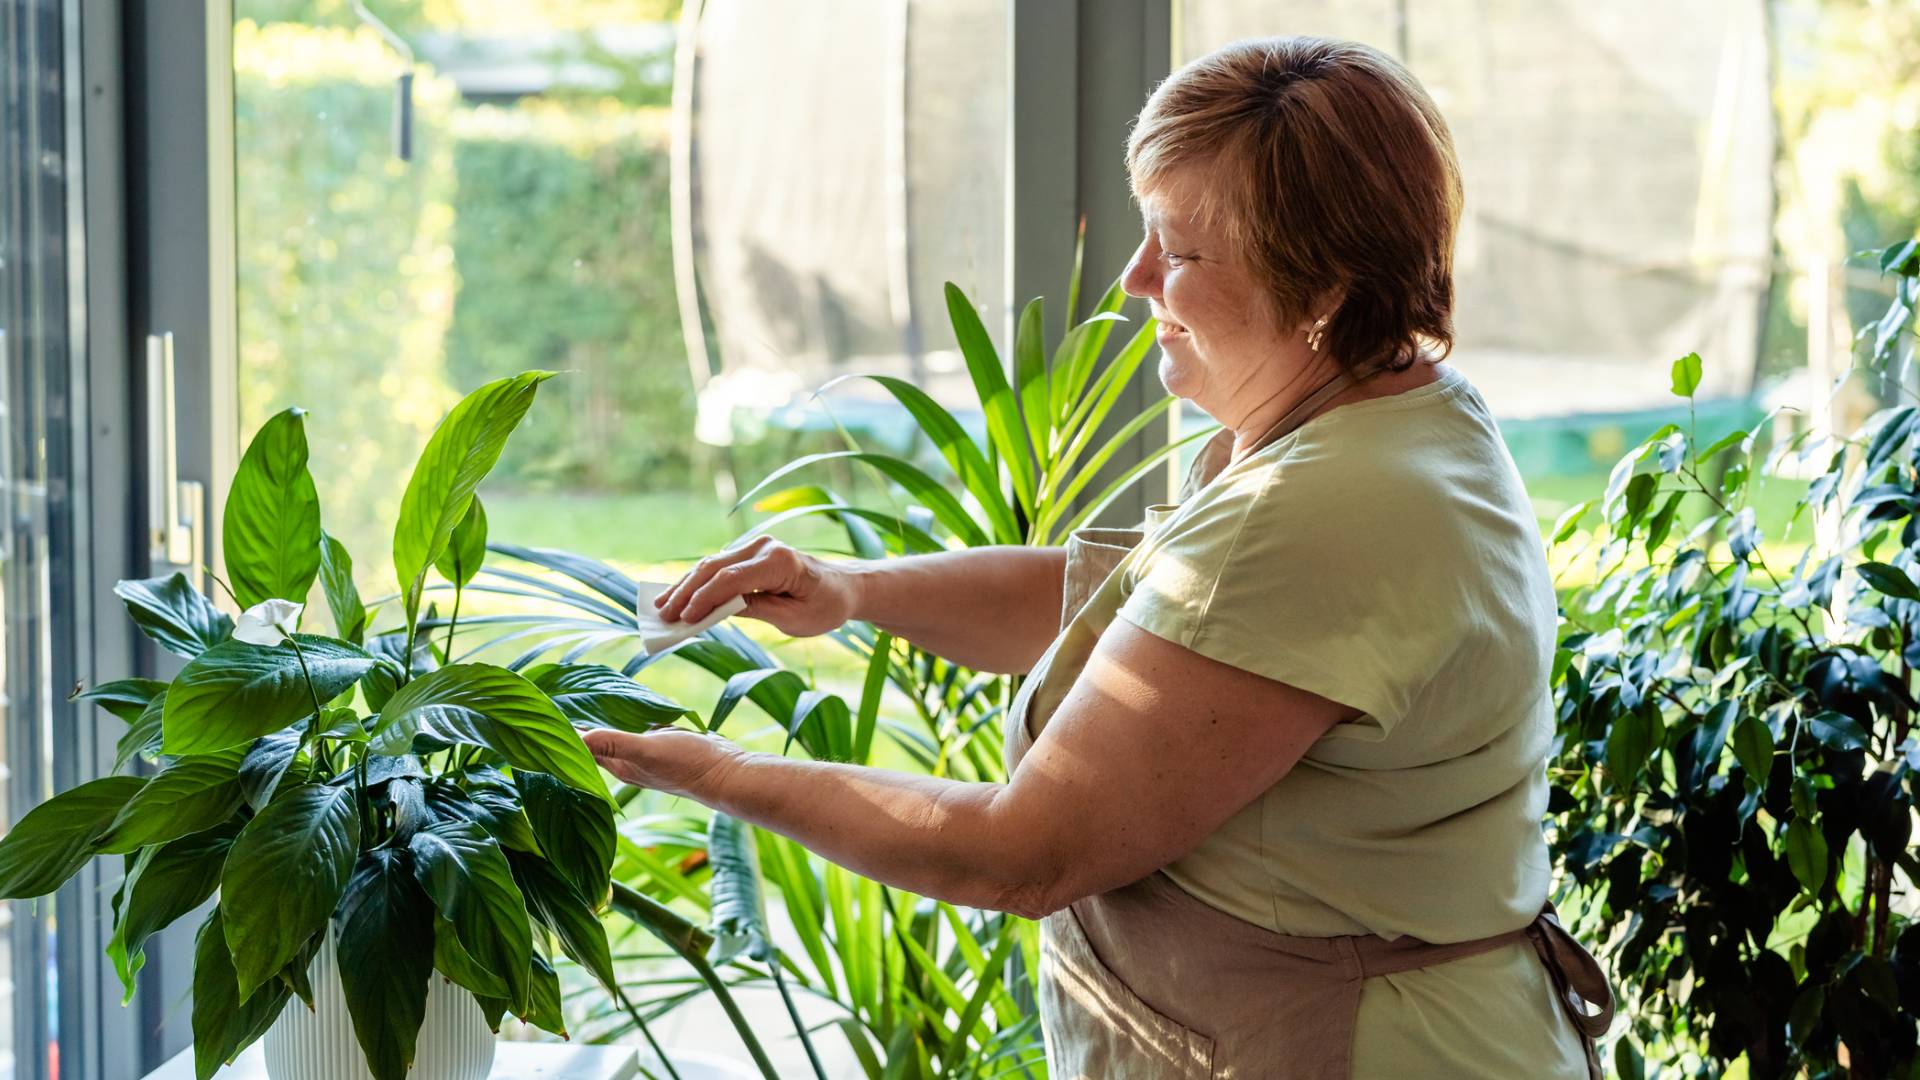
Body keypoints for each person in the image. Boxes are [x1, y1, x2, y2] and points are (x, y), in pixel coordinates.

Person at [585, 35, 1612, 1079]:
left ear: (1328, 293)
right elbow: (1142, 622)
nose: (1134, 278)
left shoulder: (1322, 513)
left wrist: (719, 770)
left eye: (1181, 250)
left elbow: (1020, 852)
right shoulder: (1385, 418)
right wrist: (850, 591)